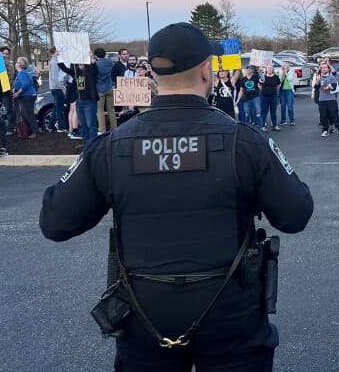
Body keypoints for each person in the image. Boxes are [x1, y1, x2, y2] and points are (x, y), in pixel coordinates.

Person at [39, 22, 313, 372]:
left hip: (144, 317)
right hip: (231, 317)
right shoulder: (244, 142)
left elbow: (55, 221)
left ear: (152, 72)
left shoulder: (111, 147)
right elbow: (297, 213)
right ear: (205, 69)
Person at [58, 58, 99, 146]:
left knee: (90, 124)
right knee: (83, 124)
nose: (80, 65)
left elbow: (94, 70)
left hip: (89, 102)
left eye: (82, 63)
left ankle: (93, 144)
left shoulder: (90, 72)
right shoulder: (76, 73)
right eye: (78, 64)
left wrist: (92, 62)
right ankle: (86, 143)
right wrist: (58, 58)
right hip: (79, 102)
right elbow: (64, 68)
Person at [11, 57, 41, 138]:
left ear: (20, 65)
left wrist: (17, 93)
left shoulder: (22, 73)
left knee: (29, 114)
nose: (15, 63)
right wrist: (14, 89)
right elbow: (21, 83)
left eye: (17, 62)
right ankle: (26, 132)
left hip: (26, 96)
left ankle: (35, 131)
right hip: (27, 96)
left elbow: (25, 84)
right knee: (25, 114)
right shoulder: (23, 73)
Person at [316, 62, 339, 137]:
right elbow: (316, 88)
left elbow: (333, 87)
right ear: (320, 69)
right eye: (322, 68)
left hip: (331, 100)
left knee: (334, 115)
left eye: (325, 67)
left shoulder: (332, 77)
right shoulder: (319, 77)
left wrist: (329, 87)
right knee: (323, 116)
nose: (323, 69)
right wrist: (317, 81)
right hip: (322, 100)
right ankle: (325, 130)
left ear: (328, 69)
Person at [95, 47, 118, 134]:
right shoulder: (110, 62)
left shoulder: (96, 64)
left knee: (100, 110)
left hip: (100, 88)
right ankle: (114, 128)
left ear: (96, 55)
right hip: (110, 87)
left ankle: (102, 129)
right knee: (111, 110)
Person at [236, 65, 263, 131]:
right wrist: (237, 100)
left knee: (258, 113)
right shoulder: (243, 79)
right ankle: (247, 130)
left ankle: (261, 129)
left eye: (250, 69)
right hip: (246, 99)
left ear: (253, 71)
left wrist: (260, 71)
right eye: (247, 69)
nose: (248, 70)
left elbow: (262, 80)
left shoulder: (256, 77)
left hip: (255, 97)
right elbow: (241, 91)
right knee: (247, 114)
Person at [49, 46, 69, 132]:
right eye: (58, 51)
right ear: (54, 53)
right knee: (59, 108)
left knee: (56, 107)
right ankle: (61, 126)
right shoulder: (54, 62)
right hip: (57, 87)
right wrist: (63, 89)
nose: (59, 53)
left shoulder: (55, 61)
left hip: (55, 87)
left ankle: (51, 125)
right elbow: (55, 78)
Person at [0, 46, 17, 135]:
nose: (5, 55)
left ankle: (10, 129)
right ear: (0, 53)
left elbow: (14, 78)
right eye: (3, 53)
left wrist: (13, 88)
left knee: (10, 110)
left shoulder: (11, 65)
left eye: (7, 54)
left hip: (7, 91)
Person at [260, 65, 281, 132]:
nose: (269, 70)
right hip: (264, 97)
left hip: (273, 97)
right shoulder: (263, 77)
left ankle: (275, 125)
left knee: (273, 112)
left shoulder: (276, 77)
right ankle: (262, 126)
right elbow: (259, 84)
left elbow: (279, 85)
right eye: (268, 68)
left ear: (272, 70)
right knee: (264, 112)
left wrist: (275, 91)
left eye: (271, 68)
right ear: (266, 69)